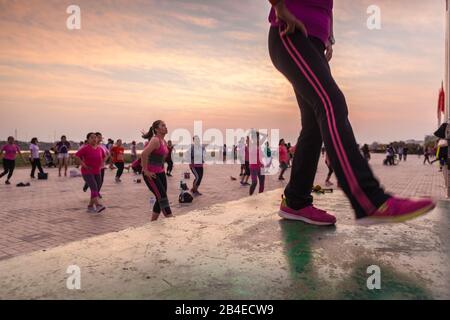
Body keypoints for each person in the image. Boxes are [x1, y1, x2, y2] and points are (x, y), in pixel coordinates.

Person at [267, 0, 434, 225]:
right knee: (332, 103)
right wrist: (279, 6)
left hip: (313, 42)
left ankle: (296, 201)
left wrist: (329, 37)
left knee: (315, 124)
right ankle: (369, 200)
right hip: (289, 29)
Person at [141, 120, 173, 221]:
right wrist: (146, 171)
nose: (165, 127)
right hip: (152, 174)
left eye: (165, 125)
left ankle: (153, 221)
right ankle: (169, 217)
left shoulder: (163, 141)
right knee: (162, 196)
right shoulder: (155, 140)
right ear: (156, 129)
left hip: (160, 172)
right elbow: (144, 154)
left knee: (161, 196)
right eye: (163, 125)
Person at [74, 132, 106, 214]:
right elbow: (76, 156)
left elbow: (104, 156)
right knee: (94, 187)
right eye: (92, 137)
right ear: (88, 140)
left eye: (95, 137)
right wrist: (83, 165)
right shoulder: (85, 148)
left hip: (97, 171)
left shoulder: (99, 148)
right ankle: (98, 205)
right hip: (87, 171)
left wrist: (101, 164)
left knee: (97, 188)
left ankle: (90, 206)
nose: (94, 139)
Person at [249, 131, 266, 195]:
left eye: (258, 137)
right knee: (254, 183)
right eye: (255, 137)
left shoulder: (259, 144)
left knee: (262, 182)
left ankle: (260, 195)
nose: (257, 138)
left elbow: (265, 136)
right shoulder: (251, 144)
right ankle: (250, 196)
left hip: (261, 166)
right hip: (253, 166)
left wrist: (258, 133)